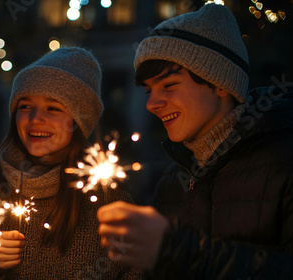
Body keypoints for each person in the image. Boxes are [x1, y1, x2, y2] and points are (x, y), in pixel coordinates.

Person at [97, 3, 293, 279]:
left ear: (220, 82)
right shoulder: (171, 184)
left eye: (169, 85)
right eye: (148, 91)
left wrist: (178, 250)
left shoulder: (284, 161)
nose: (152, 104)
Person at [0, 47, 142, 279]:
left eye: (53, 108)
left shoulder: (109, 205)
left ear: (79, 121)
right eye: (25, 106)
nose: (35, 119)